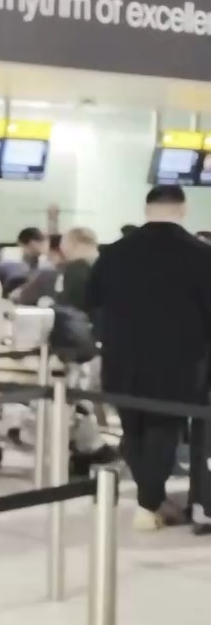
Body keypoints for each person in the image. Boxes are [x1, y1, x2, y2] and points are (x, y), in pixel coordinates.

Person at [86, 186, 211, 530]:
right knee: (163, 429)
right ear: (183, 209)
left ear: (146, 209)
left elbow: (92, 301)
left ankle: (149, 499)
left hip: (121, 357)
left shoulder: (113, 253)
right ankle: (148, 503)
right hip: (178, 361)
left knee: (133, 429)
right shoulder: (201, 255)